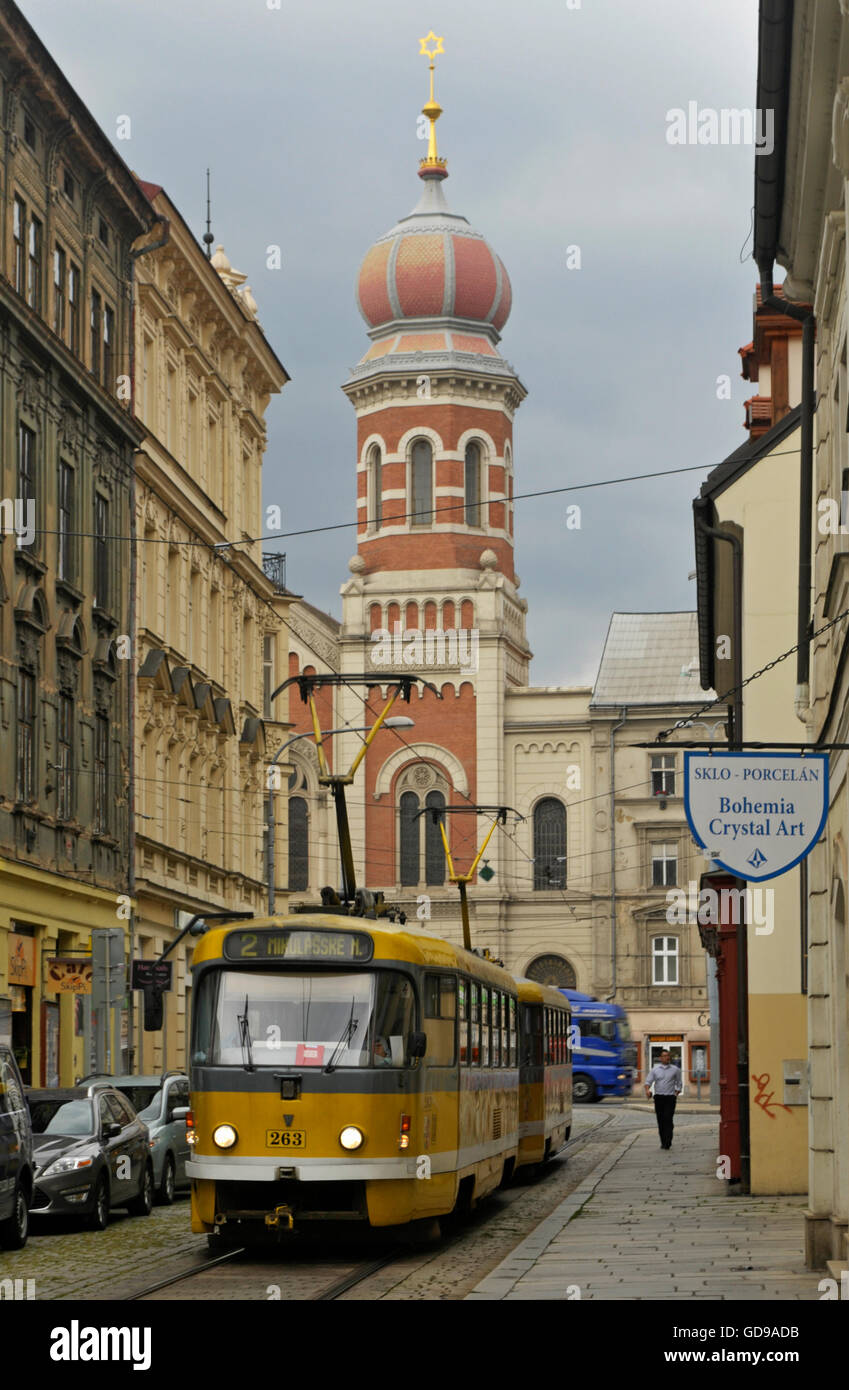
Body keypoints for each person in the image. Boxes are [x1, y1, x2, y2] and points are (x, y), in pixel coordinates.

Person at [644, 1049, 683, 1149]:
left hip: (670, 1098)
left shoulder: (675, 1069)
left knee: (668, 1119)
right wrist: (648, 1091)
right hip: (659, 1098)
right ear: (661, 1058)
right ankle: (663, 1141)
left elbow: (679, 1083)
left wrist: (676, 1093)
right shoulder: (655, 1070)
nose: (666, 1057)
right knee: (661, 1120)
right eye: (664, 1056)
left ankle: (668, 1141)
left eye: (668, 1055)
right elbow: (648, 1082)